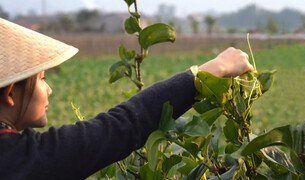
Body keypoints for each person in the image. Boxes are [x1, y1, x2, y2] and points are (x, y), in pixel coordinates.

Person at [0, 17, 254, 179]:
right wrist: (204, 74)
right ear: (11, 94)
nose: (49, 89)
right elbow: (121, 126)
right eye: (42, 78)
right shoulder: (20, 161)